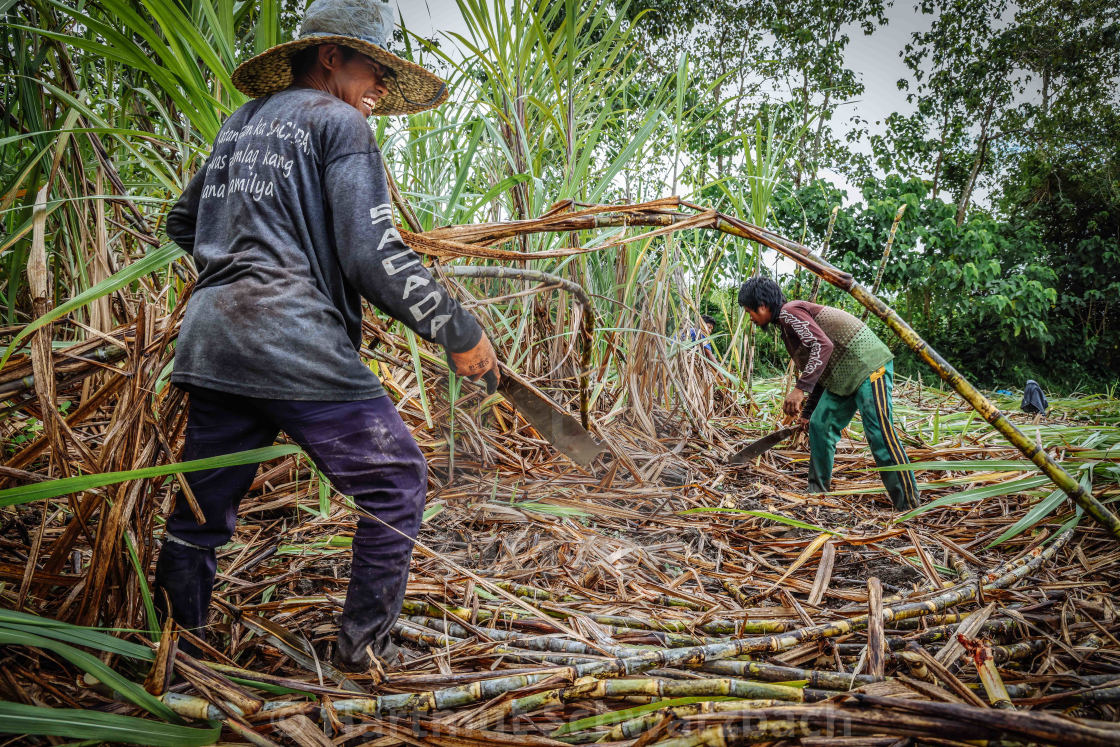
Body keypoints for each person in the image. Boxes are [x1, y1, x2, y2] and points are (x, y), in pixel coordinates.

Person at [157, 0, 499, 671]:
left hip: (213, 341)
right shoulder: (339, 124)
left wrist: (234, 271)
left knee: (200, 513)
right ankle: (361, 653)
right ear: (332, 57)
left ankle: (176, 657)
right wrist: (454, 325)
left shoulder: (239, 124)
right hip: (293, 341)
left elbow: (181, 221)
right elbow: (371, 256)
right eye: (373, 68)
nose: (378, 88)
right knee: (397, 477)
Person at [738, 277, 919, 511]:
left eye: (749, 310)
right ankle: (817, 495)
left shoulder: (789, 311)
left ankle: (909, 505)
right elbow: (820, 368)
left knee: (879, 433)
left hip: (869, 367)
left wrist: (799, 389)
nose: (751, 318)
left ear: (762, 305)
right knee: (819, 425)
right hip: (842, 378)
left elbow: (823, 346)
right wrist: (808, 412)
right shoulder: (786, 327)